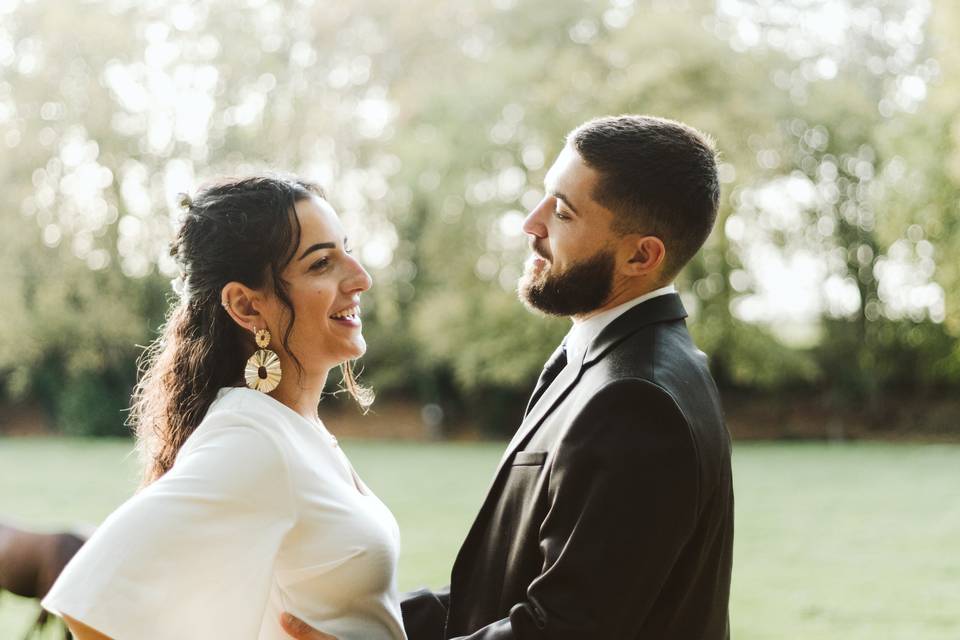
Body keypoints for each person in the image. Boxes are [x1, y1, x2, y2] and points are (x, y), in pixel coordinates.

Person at [282, 115, 734, 640]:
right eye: (546, 197)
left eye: (562, 212)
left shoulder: (637, 397)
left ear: (641, 255)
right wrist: (356, 624)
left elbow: (562, 629)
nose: (532, 223)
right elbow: (502, 590)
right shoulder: (602, 359)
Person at [42, 176, 407, 640]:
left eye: (347, 250)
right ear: (246, 306)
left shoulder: (291, 428)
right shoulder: (254, 439)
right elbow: (92, 602)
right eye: (322, 264)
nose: (361, 278)